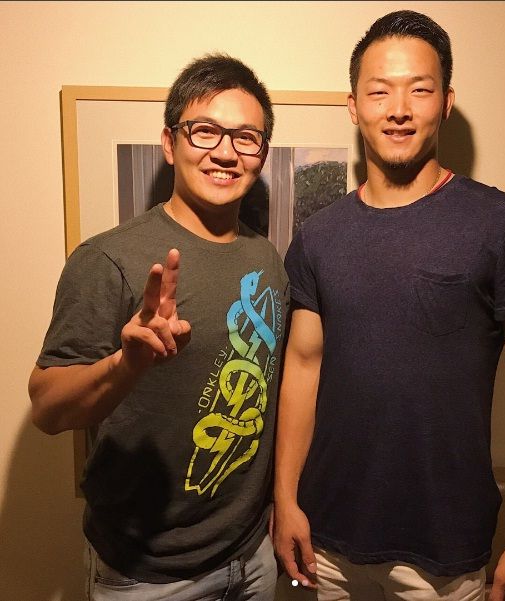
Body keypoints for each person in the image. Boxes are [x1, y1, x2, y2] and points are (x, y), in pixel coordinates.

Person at [273, 10, 505, 601]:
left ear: (446, 103)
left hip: (444, 548)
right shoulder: (319, 235)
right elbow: (303, 366)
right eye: (379, 91)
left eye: (420, 90)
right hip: (324, 541)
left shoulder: (503, 222)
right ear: (354, 106)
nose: (398, 109)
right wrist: (284, 500)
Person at [29, 54, 289, 601]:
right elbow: (48, 410)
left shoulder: (266, 259)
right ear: (170, 143)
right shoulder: (108, 259)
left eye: (246, 138)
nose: (226, 152)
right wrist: (125, 365)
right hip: (145, 575)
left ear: (262, 155)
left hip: (253, 555)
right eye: (205, 131)